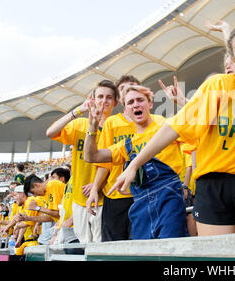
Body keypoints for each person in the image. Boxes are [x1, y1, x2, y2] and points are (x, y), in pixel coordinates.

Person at [108, 22, 235, 236]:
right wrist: (134, 164)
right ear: (233, 57)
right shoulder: (219, 86)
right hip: (212, 185)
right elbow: (175, 126)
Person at [84, 85, 188, 240]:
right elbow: (92, 156)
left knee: (170, 252)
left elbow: (201, 120)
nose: (136, 104)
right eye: (130, 102)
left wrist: (182, 102)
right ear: (126, 110)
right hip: (140, 207)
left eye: (140, 100)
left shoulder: (166, 127)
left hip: (169, 201)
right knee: (143, 254)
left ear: (150, 104)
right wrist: (92, 128)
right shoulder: (127, 145)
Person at [46, 79, 119, 243]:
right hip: (79, 199)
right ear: (93, 99)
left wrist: (96, 184)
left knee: (100, 247)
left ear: (115, 102)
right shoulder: (80, 124)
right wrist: (78, 110)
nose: (104, 101)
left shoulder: (116, 126)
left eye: (108, 97)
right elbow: (50, 132)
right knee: (83, 246)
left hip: (104, 198)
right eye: (100, 96)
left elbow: (116, 164)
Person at [86, 75, 146, 242]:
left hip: (142, 194)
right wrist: (94, 190)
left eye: (132, 88)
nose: (129, 92)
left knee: (141, 245)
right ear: (120, 99)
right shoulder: (112, 123)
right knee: (113, 246)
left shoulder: (151, 122)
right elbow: (104, 162)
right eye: (124, 90)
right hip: (115, 195)